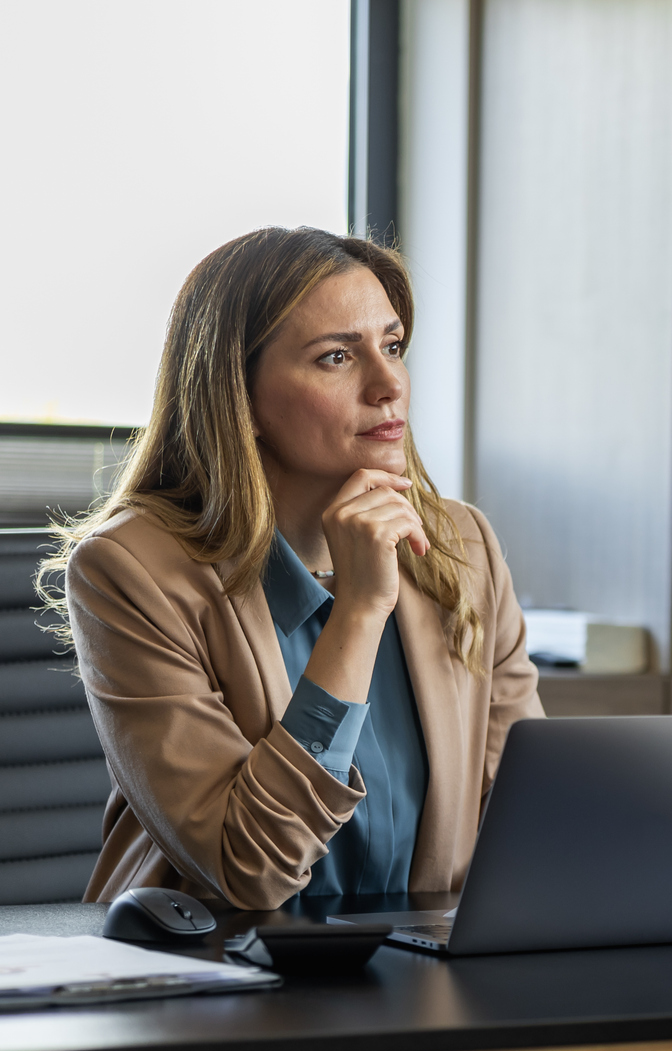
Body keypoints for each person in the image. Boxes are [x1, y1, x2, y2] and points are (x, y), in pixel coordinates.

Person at [42, 227, 544, 910]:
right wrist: (362, 611)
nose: (388, 383)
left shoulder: (463, 544)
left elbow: (528, 818)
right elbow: (248, 867)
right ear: (240, 399)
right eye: (337, 357)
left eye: (392, 346)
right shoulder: (131, 571)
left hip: (417, 976)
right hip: (219, 981)